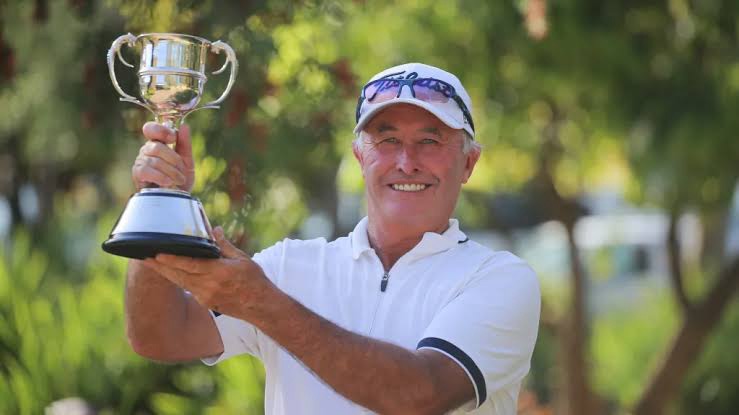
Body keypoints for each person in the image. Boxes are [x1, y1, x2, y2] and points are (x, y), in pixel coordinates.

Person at [127, 62, 540, 414]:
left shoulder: (498, 279)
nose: (406, 162)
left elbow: (420, 394)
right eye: (388, 140)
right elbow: (159, 336)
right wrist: (159, 201)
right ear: (360, 156)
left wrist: (264, 303)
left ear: (468, 163)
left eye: (429, 141)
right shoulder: (288, 266)